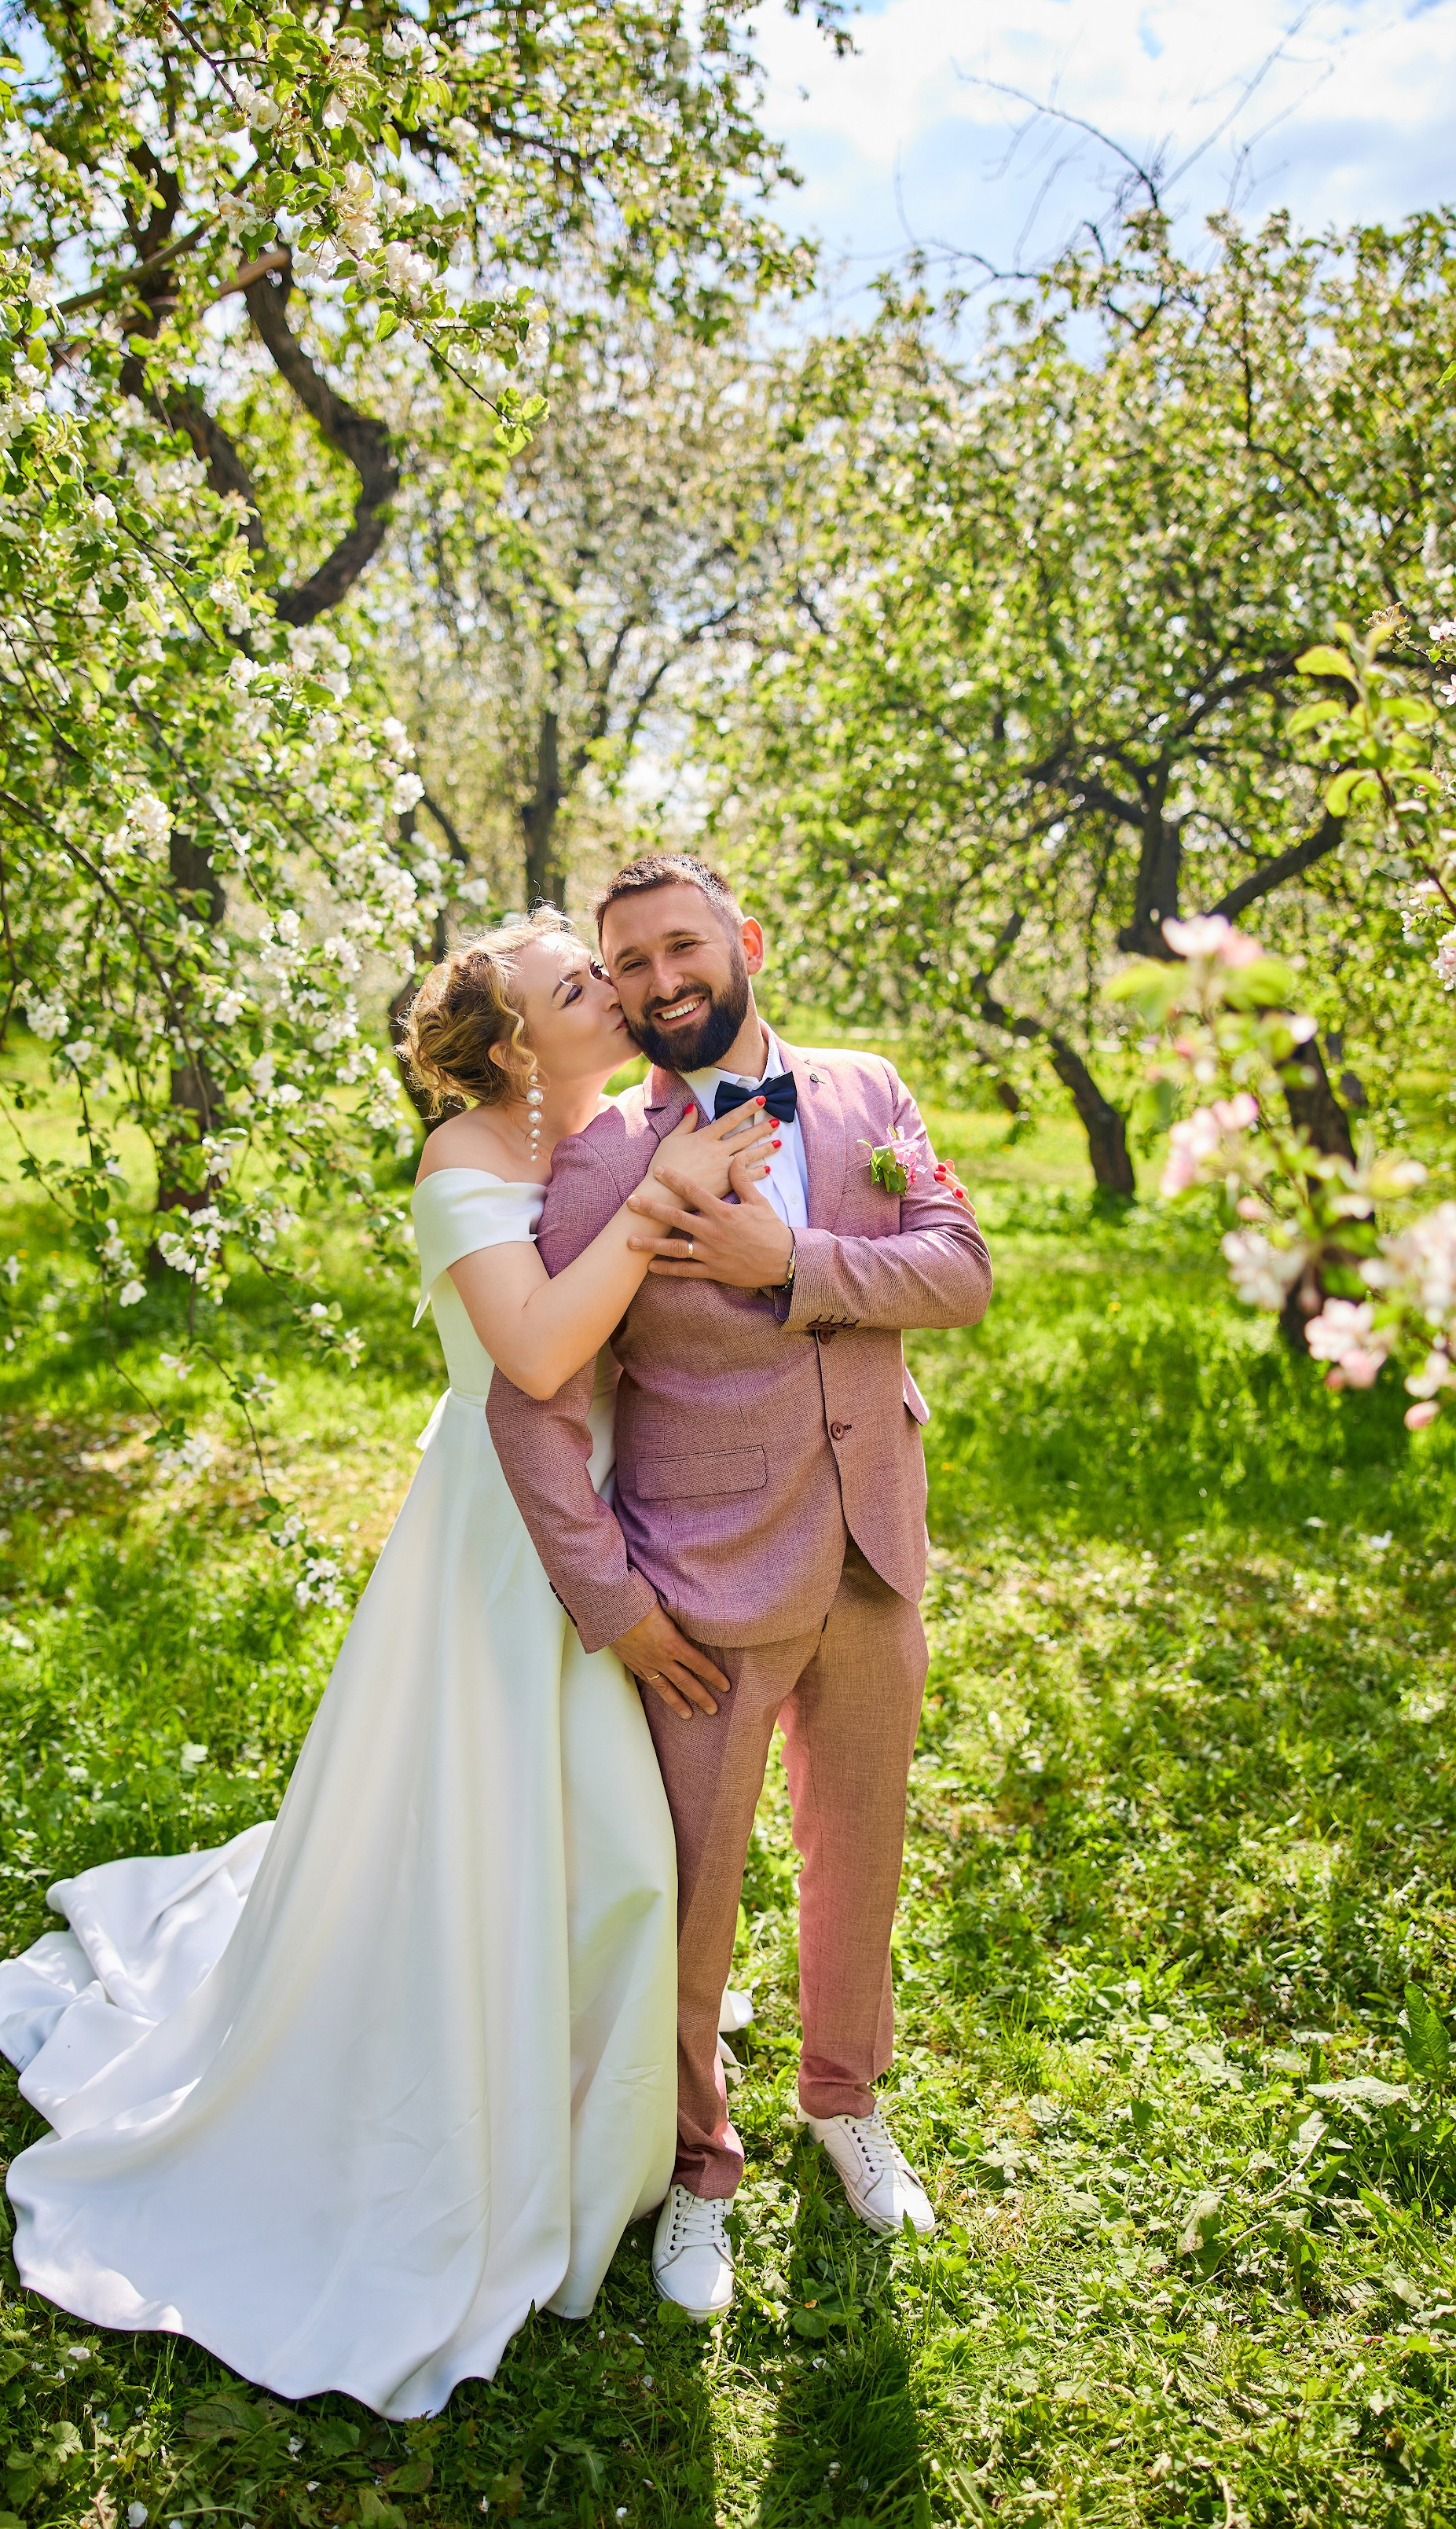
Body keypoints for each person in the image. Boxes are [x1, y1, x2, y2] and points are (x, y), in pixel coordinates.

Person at [0, 907, 775, 2418]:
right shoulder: (463, 1165)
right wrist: (665, 1200)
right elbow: (537, 1356)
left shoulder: (629, 1125)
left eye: (602, 975)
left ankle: (601, 2066)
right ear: (511, 1050)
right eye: (574, 985)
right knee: (488, 1816)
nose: (612, 992)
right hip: (499, 1545)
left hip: (622, 1512)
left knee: (610, 1833)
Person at [486, 855, 992, 2319]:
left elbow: (955, 1271)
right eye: (625, 963)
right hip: (698, 1591)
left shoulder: (866, 1093)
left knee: (862, 1853)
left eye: (679, 948)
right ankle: (699, 2165)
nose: (657, 983)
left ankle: (844, 2100)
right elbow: (533, 1409)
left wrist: (797, 1262)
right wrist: (615, 1607)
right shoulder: (596, 1166)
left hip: (875, 1555)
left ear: (744, 944)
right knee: (694, 1897)